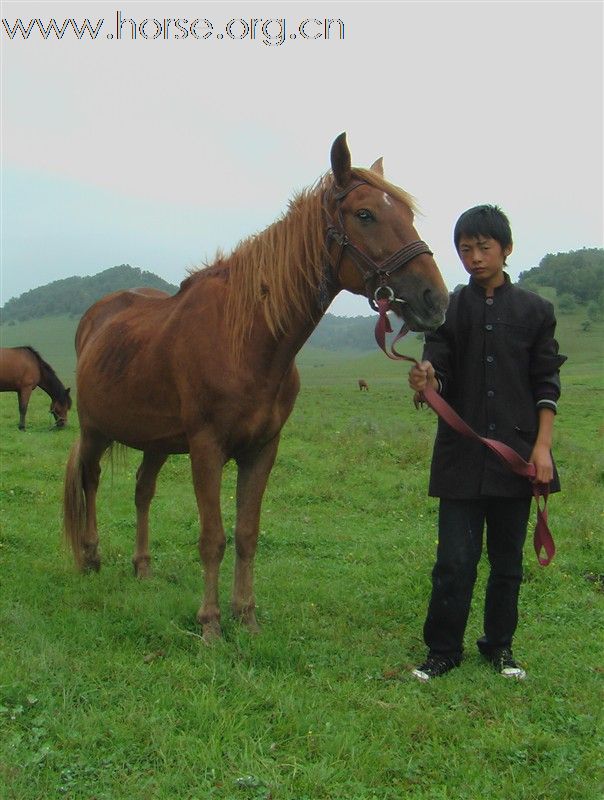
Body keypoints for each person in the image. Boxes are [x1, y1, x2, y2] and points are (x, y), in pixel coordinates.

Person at [408, 204, 566, 681]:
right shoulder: (449, 307)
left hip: (516, 458)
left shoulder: (536, 311)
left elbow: (546, 383)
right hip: (460, 457)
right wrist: (427, 377)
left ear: (506, 249)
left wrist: (542, 449)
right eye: (465, 249)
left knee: (507, 563)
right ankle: (443, 651)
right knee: (453, 561)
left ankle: (499, 647)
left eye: (483, 247)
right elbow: (438, 362)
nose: (474, 257)